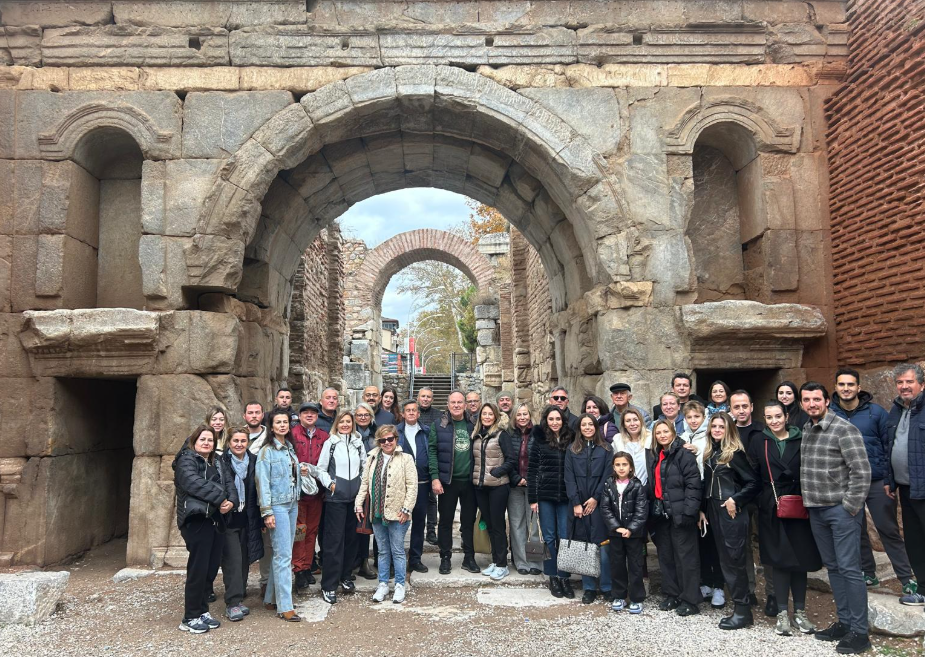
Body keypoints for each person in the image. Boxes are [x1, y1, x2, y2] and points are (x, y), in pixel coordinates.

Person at [800, 381, 871, 654]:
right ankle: (844, 623)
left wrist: (849, 507)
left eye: (816, 399)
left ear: (827, 401)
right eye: (807, 400)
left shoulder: (844, 429)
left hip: (840, 511)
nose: (812, 404)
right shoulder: (807, 428)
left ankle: (860, 633)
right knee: (833, 568)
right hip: (816, 511)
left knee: (850, 569)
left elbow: (861, 472)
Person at [831, 367, 916, 593]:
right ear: (836, 387)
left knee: (887, 529)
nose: (846, 388)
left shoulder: (876, 412)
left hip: (876, 480)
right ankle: (868, 573)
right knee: (856, 530)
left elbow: (889, 446)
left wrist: (889, 479)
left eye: (850, 384)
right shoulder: (829, 414)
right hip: (847, 483)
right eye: (842, 384)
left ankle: (906, 578)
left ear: (858, 387)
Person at [749, 399, 820, 637]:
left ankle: (799, 611)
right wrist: (760, 499)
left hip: (800, 504)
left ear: (787, 416)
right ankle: (781, 613)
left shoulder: (802, 438)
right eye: (769, 417)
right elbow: (753, 474)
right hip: (771, 506)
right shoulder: (759, 441)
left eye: (778, 416)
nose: (774, 421)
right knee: (779, 560)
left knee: (801, 559)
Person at [173, 425, 236, 634]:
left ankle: (202, 611)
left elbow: (229, 482)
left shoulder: (217, 461)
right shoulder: (186, 460)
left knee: (210, 568)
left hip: (215, 519)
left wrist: (232, 501)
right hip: (196, 519)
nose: (207, 443)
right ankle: (190, 616)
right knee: (198, 569)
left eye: (210, 440)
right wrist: (221, 498)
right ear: (194, 441)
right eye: (203, 439)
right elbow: (193, 483)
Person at [700, 413, 759, 630]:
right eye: (714, 426)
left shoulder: (734, 454)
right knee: (725, 559)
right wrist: (702, 509)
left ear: (729, 430)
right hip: (714, 509)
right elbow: (707, 484)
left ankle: (742, 610)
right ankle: (741, 609)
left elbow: (754, 483)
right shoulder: (711, 452)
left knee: (734, 559)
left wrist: (736, 499)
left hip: (730, 511)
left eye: (721, 427)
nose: (717, 430)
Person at [356, 425, 418, 604]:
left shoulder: (406, 458)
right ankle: (383, 584)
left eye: (390, 439)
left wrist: (406, 509)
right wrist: (358, 504)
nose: (387, 443)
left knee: (397, 550)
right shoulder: (372, 458)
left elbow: (412, 486)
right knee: (382, 551)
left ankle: (400, 585)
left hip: (398, 513)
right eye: (383, 440)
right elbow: (365, 482)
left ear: (396, 439)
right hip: (377, 512)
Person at [646, 419, 701, 616]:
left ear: (673, 432)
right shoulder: (656, 455)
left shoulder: (684, 454)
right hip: (662, 515)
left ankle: (690, 600)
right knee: (666, 556)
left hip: (681, 513)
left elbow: (693, 484)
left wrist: (689, 512)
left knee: (685, 558)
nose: (662, 435)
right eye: (658, 432)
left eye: (665, 431)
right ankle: (672, 594)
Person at [255, 409, 303, 622]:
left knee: (283, 553)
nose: (282, 425)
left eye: (285, 422)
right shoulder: (266, 452)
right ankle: (285, 606)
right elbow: (262, 484)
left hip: (292, 503)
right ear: (271, 427)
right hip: (277, 506)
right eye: (278, 422)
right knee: (284, 556)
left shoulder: (290, 448)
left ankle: (270, 598)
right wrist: (267, 512)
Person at [316, 410, 367, 604]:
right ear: (336, 424)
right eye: (342, 422)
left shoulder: (358, 443)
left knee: (351, 540)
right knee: (334, 542)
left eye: (348, 422)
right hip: (335, 499)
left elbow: (364, 467)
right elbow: (321, 469)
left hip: (354, 499)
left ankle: (346, 576)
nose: (345, 424)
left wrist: (361, 485)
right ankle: (329, 585)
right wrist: (330, 484)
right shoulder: (330, 443)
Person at [885, 363, 925, 607]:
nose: (904, 386)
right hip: (906, 488)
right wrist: (890, 481)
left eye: (909, 381)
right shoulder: (897, 409)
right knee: (914, 541)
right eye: (900, 382)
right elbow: (891, 446)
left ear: (922, 384)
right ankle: (922, 589)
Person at [428, 391, 478, 575]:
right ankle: (445, 557)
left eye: (460, 402)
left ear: (465, 405)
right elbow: (432, 451)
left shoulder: (474, 424)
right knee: (445, 521)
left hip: (470, 481)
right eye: (453, 402)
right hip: (448, 482)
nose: (456, 405)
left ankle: (469, 557)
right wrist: (435, 477)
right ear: (447, 405)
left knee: (468, 521)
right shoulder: (439, 425)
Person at [729, 388, 771, 609]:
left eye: (745, 406)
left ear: (752, 407)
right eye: (736, 407)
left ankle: (773, 594)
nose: (741, 410)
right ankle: (749, 590)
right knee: (742, 546)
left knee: (767, 544)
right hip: (739, 498)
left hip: (763, 496)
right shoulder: (728, 432)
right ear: (731, 409)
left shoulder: (763, 431)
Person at [528, 405, 575, 599]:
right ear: (546, 421)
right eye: (551, 419)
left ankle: (564, 577)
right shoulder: (539, 440)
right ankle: (552, 576)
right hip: (545, 495)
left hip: (565, 496)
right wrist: (533, 499)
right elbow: (532, 470)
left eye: (558, 419)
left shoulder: (570, 439)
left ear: (563, 420)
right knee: (549, 538)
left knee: (564, 537)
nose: (555, 422)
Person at [565, 413, 613, 603]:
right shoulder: (572, 449)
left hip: (599, 504)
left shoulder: (606, 449)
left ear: (596, 427)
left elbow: (608, 476)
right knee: (584, 545)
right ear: (579, 428)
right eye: (583, 425)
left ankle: (607, 586)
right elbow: (569, 477)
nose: (587, 428)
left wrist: (596, 498)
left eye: (590, 424)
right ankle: (589, 588)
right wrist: (576, 502)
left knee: (604, 547)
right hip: (579, 504)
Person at [219, 427, 265, 622]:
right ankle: (232, 602)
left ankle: (239, 595)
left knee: (245, 559)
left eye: (243, 441)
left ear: (248, 443)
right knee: (233, 560)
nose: (239, 444)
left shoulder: (254, 461)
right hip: (229, 519)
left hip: (248, 517)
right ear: (229, 442)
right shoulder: (221, 462)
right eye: (235, 441)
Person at [680, 400, 722, 609]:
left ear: (704, 417)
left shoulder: (709, 437)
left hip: (708, 490)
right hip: (690, 491)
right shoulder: (681, 437)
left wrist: (698, 451)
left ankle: (719, 585)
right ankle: (706, 581)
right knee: (700, 541)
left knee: (714, 540)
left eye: (697, 416)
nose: (693, 420)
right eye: (689, 417)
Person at [472, 402, 517, 581]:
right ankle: (495, 560)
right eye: (484, 414)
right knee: (489, 525)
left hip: (498, 486)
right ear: (480, 416)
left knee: (498, 526)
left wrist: (497, 472)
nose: (487, 417)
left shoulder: (501, 435)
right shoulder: (476, 435)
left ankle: (502, 565)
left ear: (496, 416)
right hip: (481, 487)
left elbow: (511, 459)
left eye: (490, 414)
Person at [601, 451, 648, 614]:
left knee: (635, 566)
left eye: (625, 464)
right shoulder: (609, 484)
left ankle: (637, 598)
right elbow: (605, 508)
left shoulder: (637, 485)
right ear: (613, 467)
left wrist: (631, 529)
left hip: (633, 534)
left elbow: (641, 511)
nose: (621, 468)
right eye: (618, 465)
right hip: (616, 534)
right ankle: (619, 595)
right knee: (617, 565)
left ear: (631, 467)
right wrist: (616, 527)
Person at [289, 401, 329, 591]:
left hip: (317, 492)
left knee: (312, 530)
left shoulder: (324, 436)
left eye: (313, 412)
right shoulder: (292, 434)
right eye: (305, 412)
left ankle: (307, 567)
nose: (310, 415)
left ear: (317, 416)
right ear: (300, 416)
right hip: (298, 493)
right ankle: (299, 569)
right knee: (300, 531)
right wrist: (297, 469)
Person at [396, 399, 431, 573]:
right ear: (403, 414)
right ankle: (395, 560)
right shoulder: (395, 432)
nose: (411, 413)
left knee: (419, 522)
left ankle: (415, 559)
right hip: (400, 485)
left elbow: (432, 453)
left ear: (418, 413)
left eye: (414, 410)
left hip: (422, 483)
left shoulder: (426, 431)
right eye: (408, 410)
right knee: (397, 522)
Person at [508, 402, 543, 575]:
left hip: (533, 485)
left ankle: (535, 562)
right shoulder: (509, 434)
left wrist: (530, 479)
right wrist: (517, 478)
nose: (522, 417)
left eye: (525, 414)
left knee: (534, 525)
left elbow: (541, 459)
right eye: (519, 414)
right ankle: (521, 562)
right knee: (517, 524)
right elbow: (505, 459)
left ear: (530, 415)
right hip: (515, 485)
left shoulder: (538, 433)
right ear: (514, 417)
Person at [416, 386, 440, 545]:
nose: (425, 399)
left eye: (428, 397)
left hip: (431, 461)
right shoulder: (412, 412)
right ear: (418, 398)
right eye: (423, 396)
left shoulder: (438, 415)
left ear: (432, 399)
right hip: (413, 462)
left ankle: (431, 530)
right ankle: (414, 530)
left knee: (432, 499)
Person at [614, 408, 650, 485]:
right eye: (628, 421)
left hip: (646, 486)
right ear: (624, 425)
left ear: (641, 422)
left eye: (635, 420)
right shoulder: (617, 440)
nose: (632, 424)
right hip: (624, 487)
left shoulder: (650, 439)